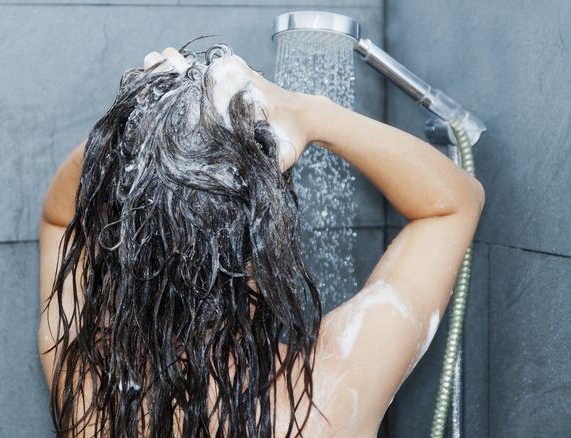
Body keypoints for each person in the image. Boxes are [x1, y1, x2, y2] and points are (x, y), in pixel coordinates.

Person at [38, 44, 484, 437]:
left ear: (135, 245)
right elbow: (453, 204)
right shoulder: (329, 396)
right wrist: (312, 114)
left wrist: (138, 126)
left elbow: (60, 218)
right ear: (265, 240)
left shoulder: (89, 386)